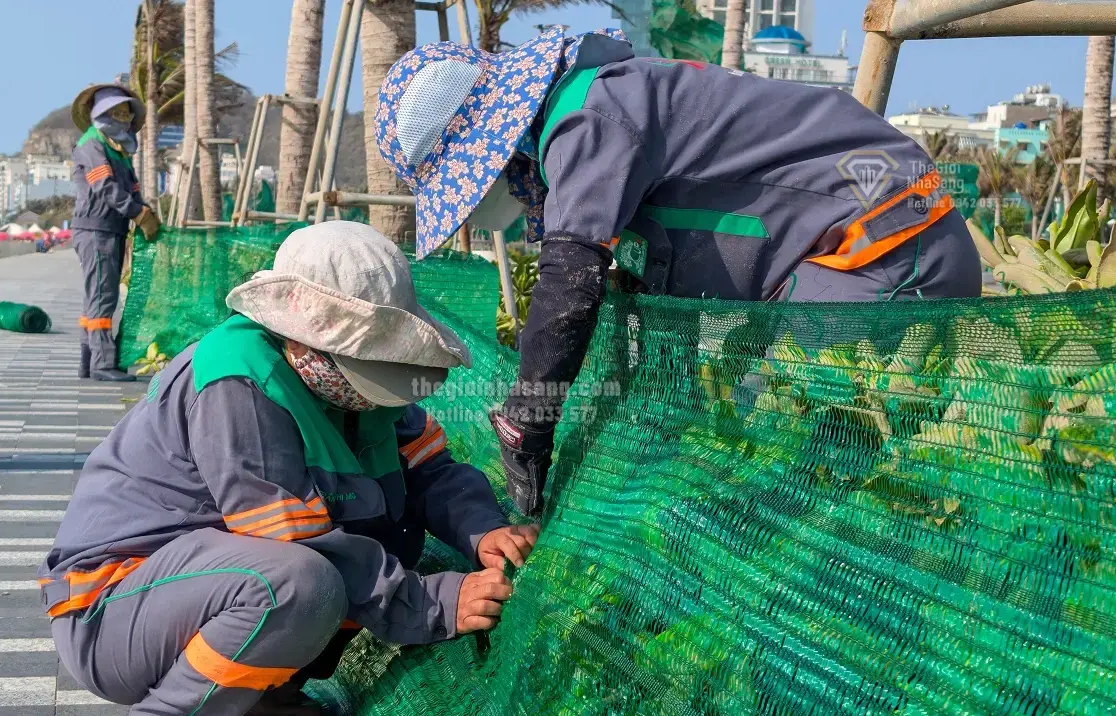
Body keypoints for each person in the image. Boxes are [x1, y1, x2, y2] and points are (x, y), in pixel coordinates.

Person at [374, 26, 983, 517]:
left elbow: (568, 283)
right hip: (849, 253)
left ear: (498, 144)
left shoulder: (587, 118)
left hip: (892, 243)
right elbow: (656, 281)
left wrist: (526, 421)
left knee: (803, 447)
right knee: (762, 431)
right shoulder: (598, 106)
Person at [39, 222, 537, 716]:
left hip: (198, 586)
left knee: (342, 561)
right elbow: (300, 546)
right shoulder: (238, 382)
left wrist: (484, 530)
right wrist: (435, 603)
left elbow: (430, 471)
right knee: (301, 582)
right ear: (301, 338)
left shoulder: (356, 392)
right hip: (112, 610)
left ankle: (253, 699)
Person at [69, 83, 161, 382]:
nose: (124, 119)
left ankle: (89, 361)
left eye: (126, 113)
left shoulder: (118, 149)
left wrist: (144, 209)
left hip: (111, 230)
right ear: (101, 114)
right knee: (102, 298)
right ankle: (102, 364)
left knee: (96, 297)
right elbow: (106, 187)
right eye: (117, 113)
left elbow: (131, 188)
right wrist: (137, 213)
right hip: (96, 230)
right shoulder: (92, 144)